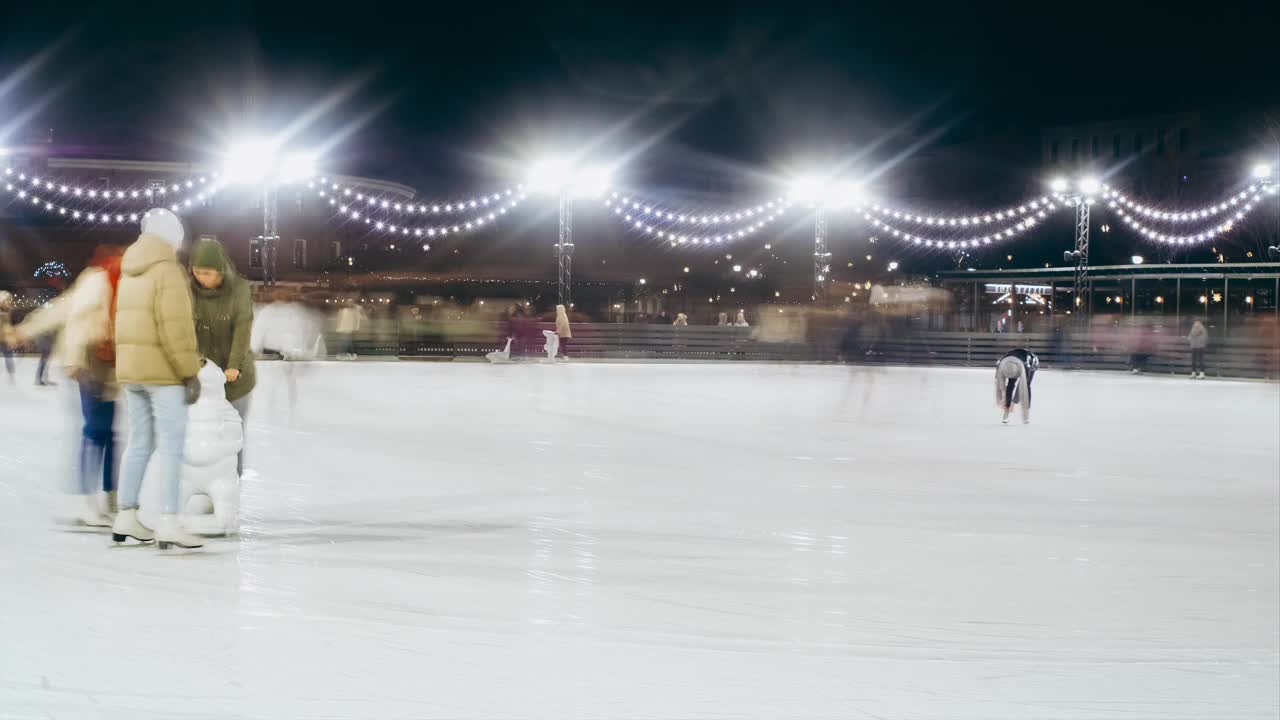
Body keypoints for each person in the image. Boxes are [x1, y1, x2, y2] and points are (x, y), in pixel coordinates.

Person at [6, 245, 124, 526]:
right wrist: (24, 330)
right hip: (85, 361)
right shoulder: (95, 280)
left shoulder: (123, 285)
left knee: (108, 433)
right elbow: (61, 310)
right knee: (96, 430)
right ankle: (84, 500)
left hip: (110, 366)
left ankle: (109, 498)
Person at [111, 209, 204, 550]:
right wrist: (189, 372)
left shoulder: (129, 268)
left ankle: (126, 515)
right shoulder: (167, 271)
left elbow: (120, 321)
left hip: (131, 371)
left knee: (139, 443)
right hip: (163, 373)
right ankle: (168, 520)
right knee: (171, 447)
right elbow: (175, 328)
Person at [189, 239, 255, 474]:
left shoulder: (239, 289)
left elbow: (242, 329)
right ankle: (206, 480)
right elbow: (185, 330)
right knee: (203, 432)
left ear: (220, 270)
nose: (202, 278)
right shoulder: (189, 291)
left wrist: (234, 366)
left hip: (234, 378)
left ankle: (231, 481)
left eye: (207, 273)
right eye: (198, 272)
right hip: (203, 377)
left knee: (231, 432)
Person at [995, 348, 1038, 424]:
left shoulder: (1026, 365)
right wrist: (1007, 403)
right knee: (1010, 385)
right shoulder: (1002, 362)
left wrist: (1015, 399)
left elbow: (1024, 386)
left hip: (1031, 364)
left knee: (1026, 387)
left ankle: (1026, 414)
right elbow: (998, 377)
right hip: (1014, 362)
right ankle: (1006, 412)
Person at [0, 291, 14, 382]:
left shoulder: (7, 312)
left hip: (5, 340)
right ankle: (10, 375)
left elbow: (7, 326)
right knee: (8, 357)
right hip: (3, 339)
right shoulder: (4, 314)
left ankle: (10, 375)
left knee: (9, 357)